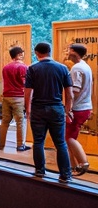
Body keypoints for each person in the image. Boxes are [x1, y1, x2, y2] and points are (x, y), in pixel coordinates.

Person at [24, 41, 73, 183]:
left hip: (38, 109)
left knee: (38, 141)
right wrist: (67, 110)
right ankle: (65, 175)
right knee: (60, 143)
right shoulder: (63, 68)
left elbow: (28, 92)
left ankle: (40, 171)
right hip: (57, 108)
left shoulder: (32, 68)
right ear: (50, 51)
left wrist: (28, 109)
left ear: (37, 53)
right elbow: (69, 93)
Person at [64, 43, 92, 177]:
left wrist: (67, 109)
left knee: (69, 137)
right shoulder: (85, 66)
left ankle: (83, 163)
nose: (67, 52)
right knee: (69, 137)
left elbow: (74, 91)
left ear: (74, 52)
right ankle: (72, 166)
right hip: (85, 107)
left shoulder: (77, 68)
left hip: (77, 108)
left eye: (69, 50)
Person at [0, 45, 29, 152]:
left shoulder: (5, 67)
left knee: (5, 121)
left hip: (6, 96)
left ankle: (1, 144)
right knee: (20, 121)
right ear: (20, 54)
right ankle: (21, 145)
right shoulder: (23, 67)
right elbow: (25, 83)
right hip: (19, 97)